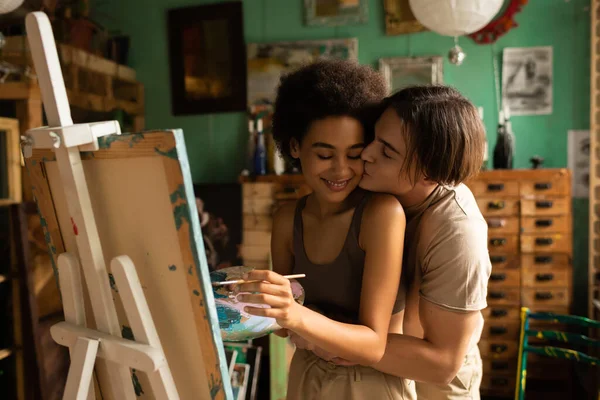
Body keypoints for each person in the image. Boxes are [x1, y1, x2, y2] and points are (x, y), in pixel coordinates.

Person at [293, 85, 491, 400]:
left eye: (386, 151)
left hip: (434, 384)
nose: (366, 153)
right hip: (372, 366)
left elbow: (442, 364)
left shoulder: (458, 233)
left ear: (428, 174)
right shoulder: (372, 189)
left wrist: (336, 337)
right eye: (373, 138)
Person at [233, 59, 415, 399]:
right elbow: (284, 327)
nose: (341, 169)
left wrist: (295, 315)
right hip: (306, 376)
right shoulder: (288, 219)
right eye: (325, 155)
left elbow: (374, 344)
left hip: (370, 385)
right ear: (294, 148)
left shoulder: (381, 214)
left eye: (355, 154)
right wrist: (257, 301)